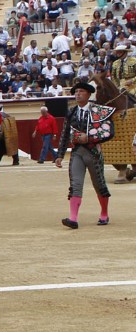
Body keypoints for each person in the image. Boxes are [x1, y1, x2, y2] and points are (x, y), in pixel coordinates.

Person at [56, 81, 115, 229]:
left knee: (99, 184)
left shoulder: (98, 110)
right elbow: (65, 134)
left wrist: (89, 138)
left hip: (93, 152)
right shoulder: (71, 112)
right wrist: (60, 154)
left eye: (81, 91)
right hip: (77, 152)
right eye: (76, 92)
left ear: (89, 94)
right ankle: (73, 219)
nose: (78, 94)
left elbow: (109, 132)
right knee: (75, 184)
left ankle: (104, 213)